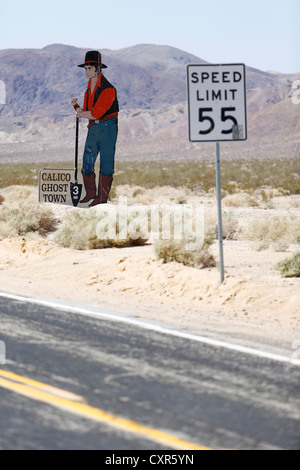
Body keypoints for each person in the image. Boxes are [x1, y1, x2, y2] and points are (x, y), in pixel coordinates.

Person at [71, 51, 119, 206]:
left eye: (89, 68)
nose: (87, 71)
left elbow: (96, 112)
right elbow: (87, 111)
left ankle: (102, 198)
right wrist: (77, 108)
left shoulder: (108, 89)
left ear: (98, 69)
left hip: (107, 127)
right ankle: (90, 194)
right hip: (93, 127)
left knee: (106, 162)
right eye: (85, 68)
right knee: (87, 160)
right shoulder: (88, 91)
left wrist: (82, 114)